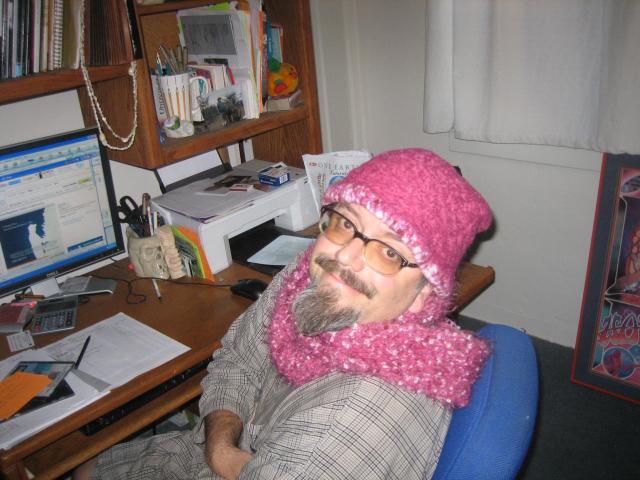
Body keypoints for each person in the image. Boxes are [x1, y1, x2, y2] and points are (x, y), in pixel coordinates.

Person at [76, 148, 492, 480]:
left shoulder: (345, 428)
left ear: (423, 295)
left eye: (388, 251)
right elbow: (239, 358)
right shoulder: (310, 274)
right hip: (206, 450)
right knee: (86, 468)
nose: (344, 256)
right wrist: (221, 451)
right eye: (346, 223)